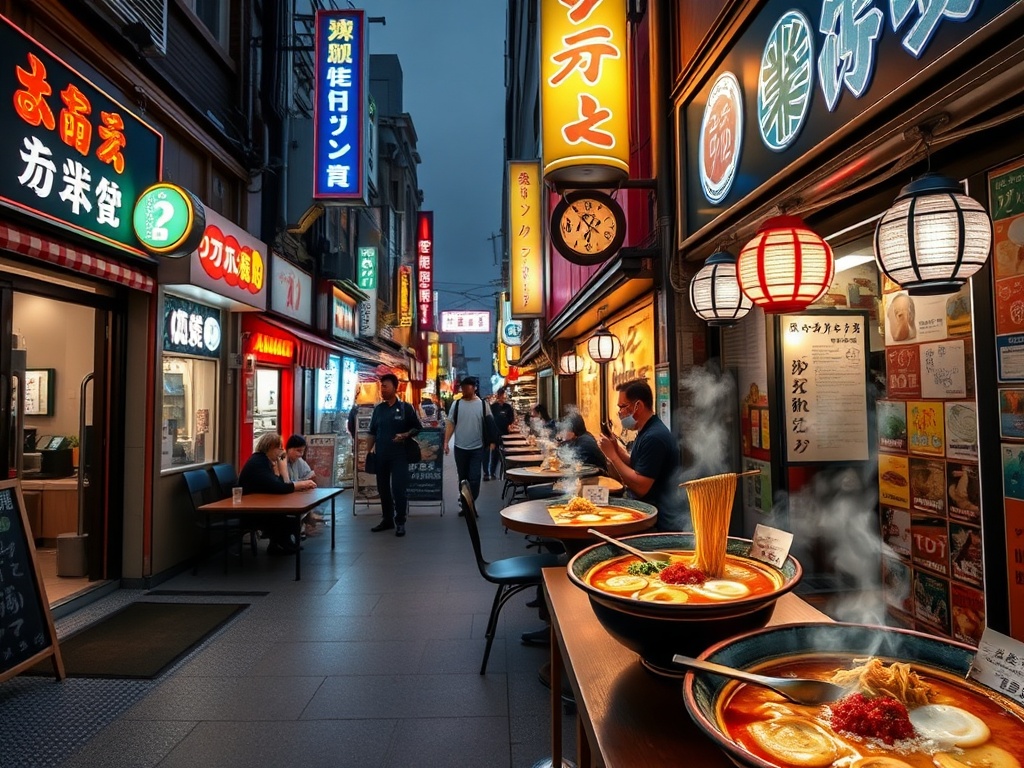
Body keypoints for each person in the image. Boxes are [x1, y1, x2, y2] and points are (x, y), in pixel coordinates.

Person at [597, 379, 682, 531]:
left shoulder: (654, 437)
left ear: (639, 406)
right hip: (645, 510)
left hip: (655, 520)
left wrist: (613, 457)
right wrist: (616, 448)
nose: (620, 413)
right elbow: (636, 465)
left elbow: (641, 486)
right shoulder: (646, 430)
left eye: (623, 407)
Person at [238, 432, 316, 555]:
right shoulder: (259, 463)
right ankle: (281, 544)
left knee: (283, 515)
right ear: (270, 447)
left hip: (258, 503)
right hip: (250, 510)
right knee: (284, 516)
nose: (281, 450)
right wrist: (299, 484)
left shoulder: (262, 460)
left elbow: (280, 483)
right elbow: (279, 486)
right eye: (278, 447)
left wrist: (279, 466)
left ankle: (281, 543)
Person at [366, 373, 422, 537]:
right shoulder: (378, 409)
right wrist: (367, 453)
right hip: (381, 455)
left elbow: (417, 428)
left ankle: (400, 522)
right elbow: (372, 432)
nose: (382, 390)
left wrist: (405, 435)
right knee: (383, 489)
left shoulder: (406, 408)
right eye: (381, 386)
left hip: (399, 456)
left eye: (385, 386)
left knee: (398, 489)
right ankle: (387, 519)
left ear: (395, 388)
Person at [444, 376, 497, 503]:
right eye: (462, 388)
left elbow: (490, 424)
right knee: (462, 477)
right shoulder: (456, 405)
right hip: (460, 447)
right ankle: (464, 502)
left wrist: (492, 442)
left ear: (474, 388)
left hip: (477, 448)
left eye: (466, 388)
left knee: (475, 477)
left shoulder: (483, 405)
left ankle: (470, 502)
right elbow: (451, 424)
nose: (463, 390)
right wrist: (446, 442)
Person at [281, 434, 323, 536]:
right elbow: (286, 484)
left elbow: (309, 474)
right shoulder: (282, 461)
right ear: (289, 449)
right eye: (298, 450)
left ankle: (305, 526)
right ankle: (304, 526)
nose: (300, 454)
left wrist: (307, 481)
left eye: (302, 451)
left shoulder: (299, 462)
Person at [486, 386, 516, 481]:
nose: (504, 397)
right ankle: (492, 472)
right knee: (495, 454)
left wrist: (510, 424)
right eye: (502, 396)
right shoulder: (493, 407)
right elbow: (490, 420)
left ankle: (507, 472)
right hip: (495, 434)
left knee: (506, 453)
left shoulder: (508, 407)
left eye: (504, 396)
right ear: (499, 396)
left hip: (506, 434)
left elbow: (511, 419)